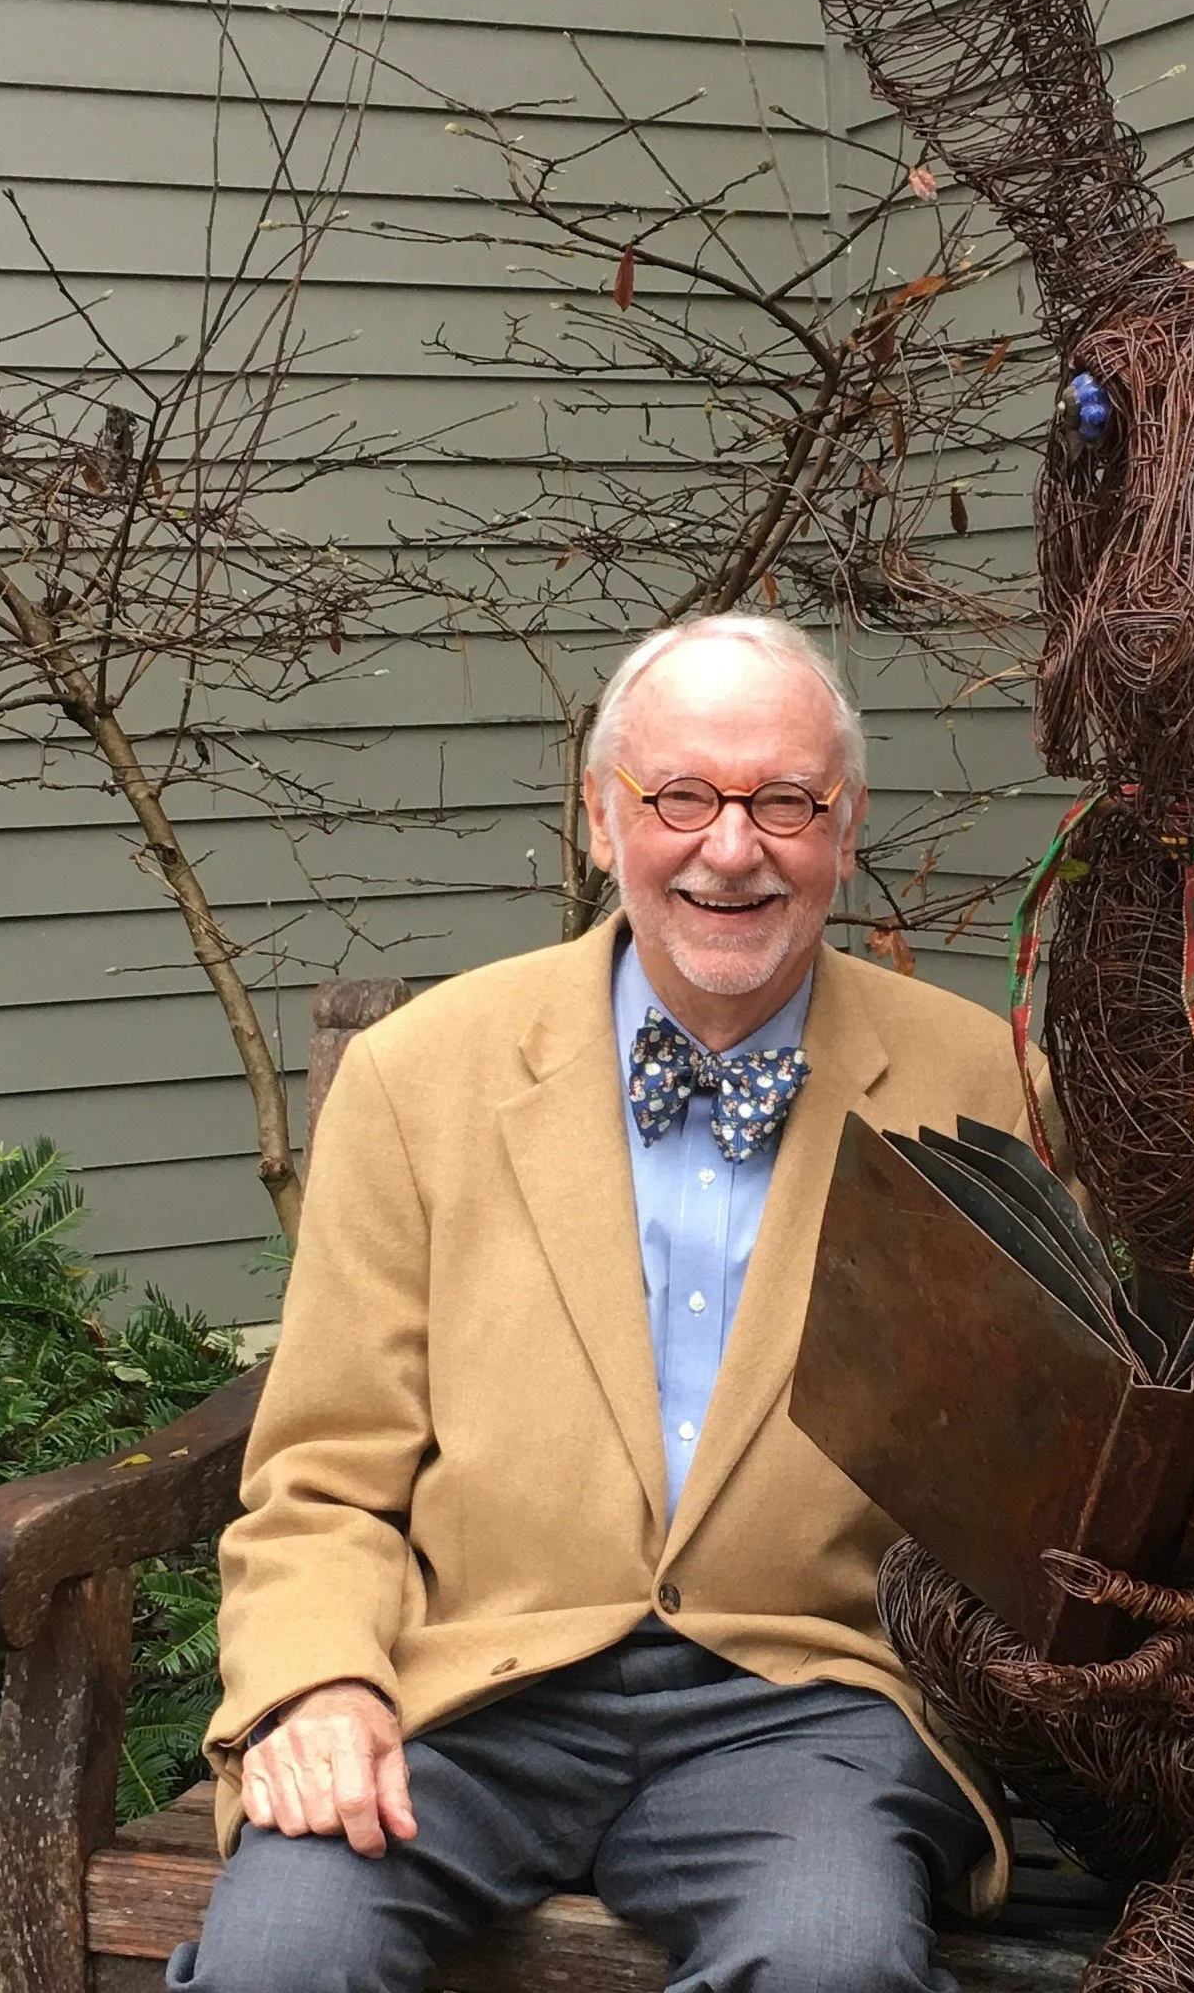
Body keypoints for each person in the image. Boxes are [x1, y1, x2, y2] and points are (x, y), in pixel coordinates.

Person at [171, 614, 1046, 1993]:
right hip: (466, 1693)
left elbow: (1033, 1470)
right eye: (681, 796)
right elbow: (325, 1479)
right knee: (281, 1957)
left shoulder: (985, 1088)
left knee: (832, 1965)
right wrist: (316, 1681)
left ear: (846, 824)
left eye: (785, 802)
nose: (733, 847)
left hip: (803, 1705)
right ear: (601, 818)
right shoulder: (421, 1080)